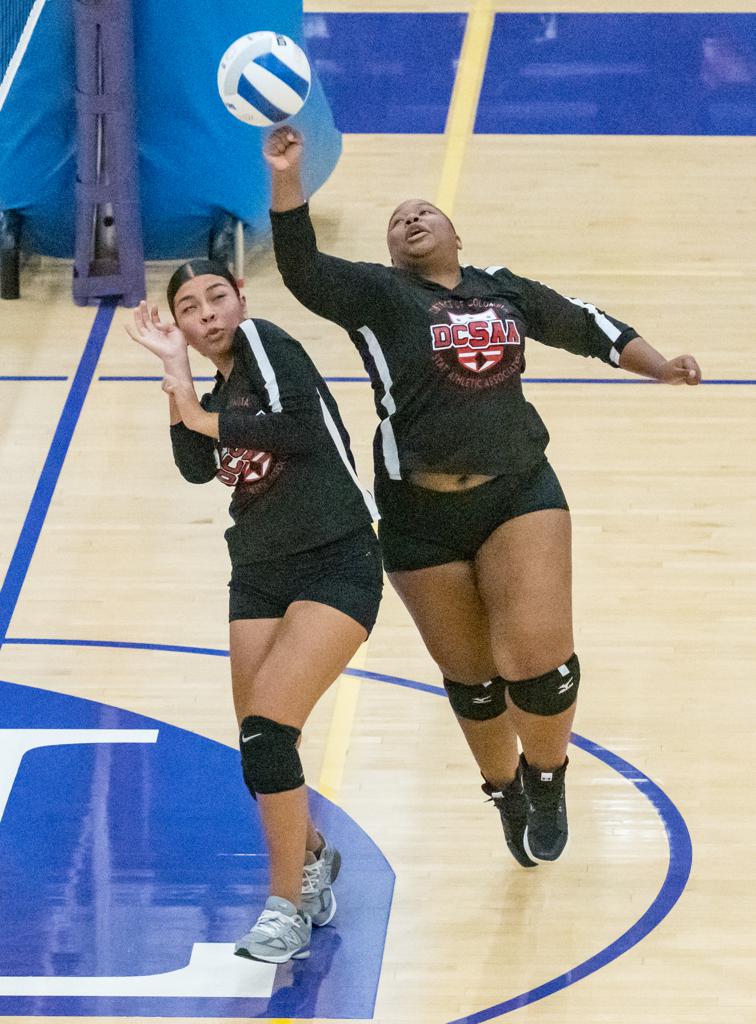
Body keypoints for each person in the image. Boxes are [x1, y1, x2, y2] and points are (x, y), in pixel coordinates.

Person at [263, 126, 702, 868]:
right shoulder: (377, 294)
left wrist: (656, 365)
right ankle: (505, 791)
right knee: (473, 679)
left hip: (516, 490)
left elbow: (585, 324)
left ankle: (549, 775)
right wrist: (287, 174)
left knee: (537, 659)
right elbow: (301, 266)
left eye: (425, 211)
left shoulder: (502, 288)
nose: (411, 219)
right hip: (418, 515)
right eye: (399, 218)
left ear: (455, 235)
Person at [125, 259, 382, 960]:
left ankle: (285, 910)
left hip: (337, 559)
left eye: (216, 296)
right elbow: (193, 464)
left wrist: (201, 412)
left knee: (268, 730)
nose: (206, 313)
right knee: (261, 751)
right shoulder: (214, 382)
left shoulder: (263, 342)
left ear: (241, 296)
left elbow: (296, 428)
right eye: (188, 308)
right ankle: (314, 859)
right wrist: (177, 376)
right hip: (260, 573)